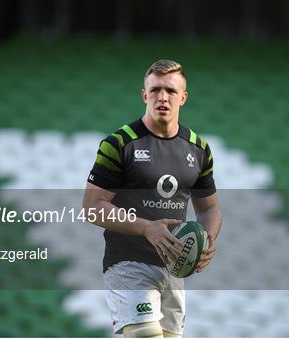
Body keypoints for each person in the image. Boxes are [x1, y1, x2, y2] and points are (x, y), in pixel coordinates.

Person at [83, 59, 222, 338]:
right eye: (155, 89)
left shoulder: (198, 149)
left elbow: (209, 208)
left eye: (170, 91)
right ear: (144, 95)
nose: (162, 97)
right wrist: (147, 228)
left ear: (183, 97)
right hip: (128, 262)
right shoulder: (120, 143)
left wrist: (206, 240)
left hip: (174, 267)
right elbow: (92, 208)